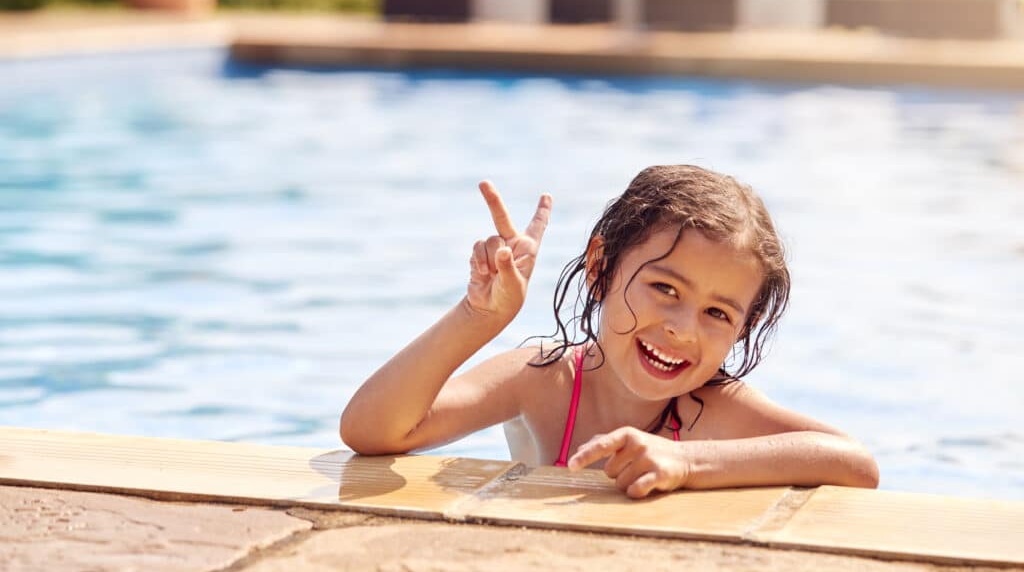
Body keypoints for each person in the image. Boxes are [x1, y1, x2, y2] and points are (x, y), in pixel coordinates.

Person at [341, 165, 879, 498]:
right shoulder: (545, 380)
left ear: (744, 328)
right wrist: (478, 318)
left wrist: (689, 462)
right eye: (665, 289)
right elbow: (373, 431)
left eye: (717, 314)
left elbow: (855, 462)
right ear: (600, 266)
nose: (681, 330)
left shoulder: (710, 407)